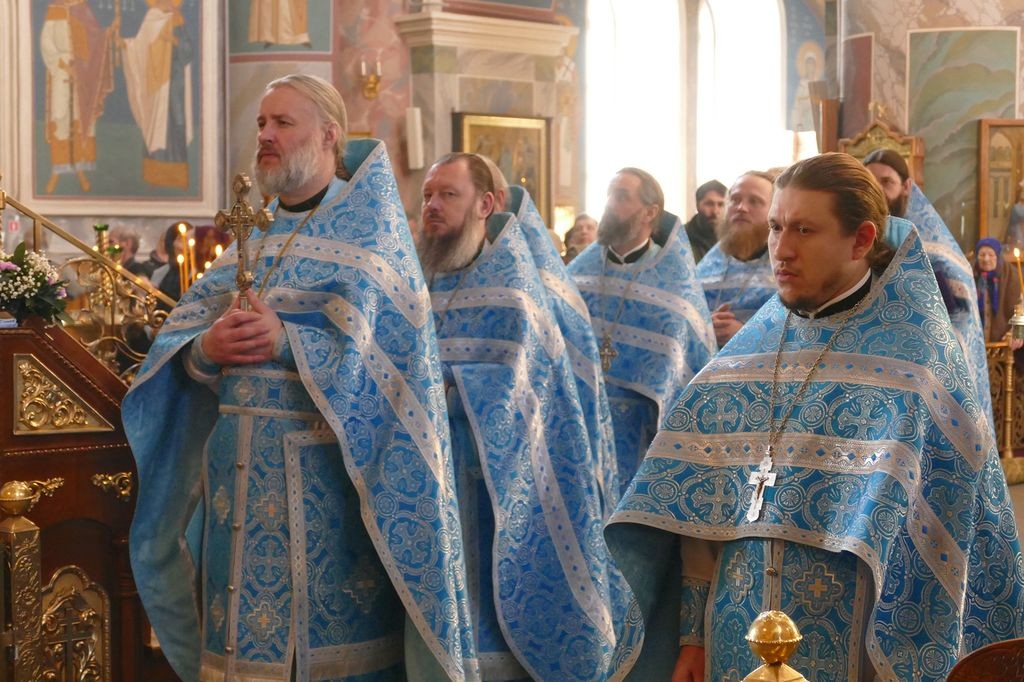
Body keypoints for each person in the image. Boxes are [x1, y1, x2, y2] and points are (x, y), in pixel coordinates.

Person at [606, 152, 1024, 682]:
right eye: (776, 227)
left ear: (861, 239)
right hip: (734, 636)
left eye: (804, 230)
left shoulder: (919, 360)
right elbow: (698, 507)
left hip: (860, 648)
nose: (781, 249)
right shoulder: (745, 356)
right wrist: (691, 636)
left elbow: (949, 533)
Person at [123, 74, 476, 681]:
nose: (265, 135)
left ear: (330, 136)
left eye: (283, 123)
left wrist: (287, 342)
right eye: (262, 123)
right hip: (235, 486)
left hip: (327, 495)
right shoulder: (252, 234)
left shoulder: (372, 240)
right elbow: (185, 346)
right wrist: (205, 349)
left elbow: (394, 381)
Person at [418, 152, 640, 680]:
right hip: (427, 489)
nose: (432, 206)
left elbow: (530, 394)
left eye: (448, 194)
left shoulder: (516, 290)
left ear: (485, 205)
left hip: (494, 494)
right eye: (427, 194)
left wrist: (449, 387)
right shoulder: (419, 279)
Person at [568, 168, 715, 493]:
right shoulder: (577, 275)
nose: (610, 203)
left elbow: (689, 367)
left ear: (650, 212)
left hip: (645, 434)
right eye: (609, 194)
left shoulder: (675, 285)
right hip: (582, 426)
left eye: (621, 196)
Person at [863, 148, 995, 434]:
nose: (879, 190)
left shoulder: (934, 248)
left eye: (887, 182)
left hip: (924, 369)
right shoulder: (851, 238)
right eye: (871, 182)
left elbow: (957, 317)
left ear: (907, 187)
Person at [39, 0, 116, 194]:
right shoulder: (55, 10)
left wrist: (107, 34)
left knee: (81, 120)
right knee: (61, 119)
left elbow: (94, 39)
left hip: (83, 74)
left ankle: (80, 170)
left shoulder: (83, 8)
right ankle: (57, 170)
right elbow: (46, 42)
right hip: (61, 73)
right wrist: (64, 66)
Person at [695, 171, 777, 348]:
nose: (741, 207)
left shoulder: (784, 261)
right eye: (735, 199)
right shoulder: (710, 262)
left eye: (754, 201)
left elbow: (801, 328)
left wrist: (748, 334)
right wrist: (706, 326)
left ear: (774, 210)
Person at [121, 0, 194, 190]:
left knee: (175, 125)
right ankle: (154, 176)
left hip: (174, 82)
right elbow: (140, 47)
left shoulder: (177, 18)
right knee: (156, 129)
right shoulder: (151, 17)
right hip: (155, 87)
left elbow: (188, 50)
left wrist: (172, 40)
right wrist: (127, 46)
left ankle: (178, 178)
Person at [974, 236, 1024, 347]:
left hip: (1003, 342)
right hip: (974, 342)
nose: (986, 259)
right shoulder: (970, 273)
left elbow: (1020, 306)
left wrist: (1018, 331)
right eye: (982, 255)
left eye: (991, 255)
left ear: (998, 256)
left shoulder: (1010, 274)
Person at [684, 179, 726, 264]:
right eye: (709, 204)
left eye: (721, 204)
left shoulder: (736, 238)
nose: (715, 211)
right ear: (697, 205)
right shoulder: (682, 238)